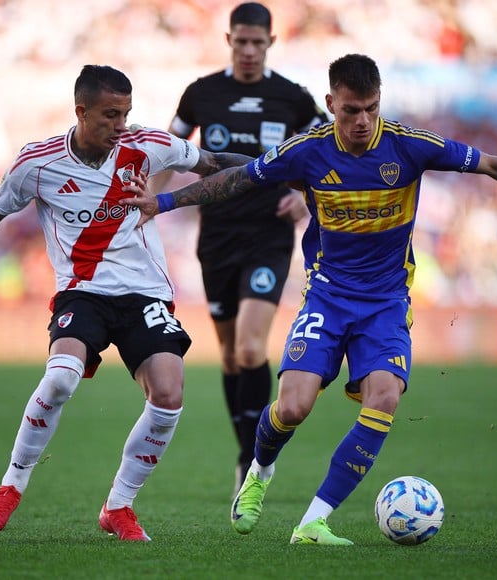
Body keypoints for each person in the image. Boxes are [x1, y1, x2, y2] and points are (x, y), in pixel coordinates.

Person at [122, 54, 497, 545]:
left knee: (385, 398)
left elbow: (496, 166)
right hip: (327, 299)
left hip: (386, 303)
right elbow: (240, 178)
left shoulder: (409, 146)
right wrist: (162, 203)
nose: (361, 121)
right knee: (292, 408)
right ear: (331, 103)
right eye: (351, 110)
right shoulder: (307, 151)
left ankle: (313, 521)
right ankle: (259, 472)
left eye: (371, 109)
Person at [0, 65, 252, 541]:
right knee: (59, 379)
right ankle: (10, 487)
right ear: (81, 111)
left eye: (126, 113)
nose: (122, 125)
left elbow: (218, 164)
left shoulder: (149, 147)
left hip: (145, 293)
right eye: (111, 115)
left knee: (170, 394)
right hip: (83, 291)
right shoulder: (37, 163)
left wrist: (287, 165)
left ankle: (119, 506)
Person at [152, 1, 328, 494]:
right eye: (241, 41)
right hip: (218, 237)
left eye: (258, 42)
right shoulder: (200, 94)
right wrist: (148, 196)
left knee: (252, 346)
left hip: (268, 235)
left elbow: (328, 150)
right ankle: (243, 454)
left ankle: (257, 458)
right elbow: (168, 150)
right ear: (228, 41)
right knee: (229, 356)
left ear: (271, 43)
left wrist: (303, 194)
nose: (249, 50)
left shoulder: (293, 99)